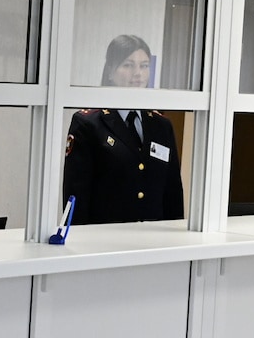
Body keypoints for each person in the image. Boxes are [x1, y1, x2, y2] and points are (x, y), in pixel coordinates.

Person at [61, 34, 185, 224]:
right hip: (105, 236)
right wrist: (78, 237)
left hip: (154, 237)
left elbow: (172, 192)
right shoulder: (88, 123)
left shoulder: (161, 125)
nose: (138, 73)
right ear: (110, 71)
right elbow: (76, 194)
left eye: (144, 66)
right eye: (128, 65)